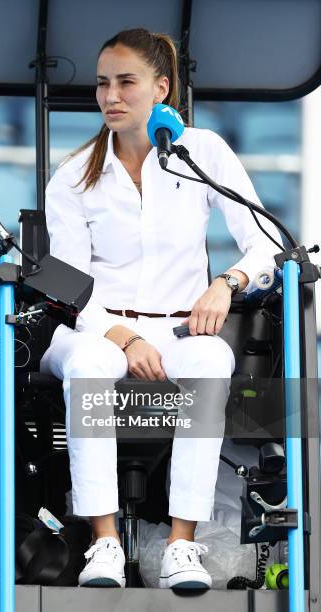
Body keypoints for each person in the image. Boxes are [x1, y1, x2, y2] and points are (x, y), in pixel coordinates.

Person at [41, 28, 281, 589]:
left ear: (161, 89)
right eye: (103, 84)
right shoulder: (74, 175)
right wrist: (124, 339)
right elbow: (70, 288)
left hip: (178, 330)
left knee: (210, 362)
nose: (110, 96)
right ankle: (102, 543)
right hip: (94, 332)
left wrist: (227, 281)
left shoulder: (203, 152)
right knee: (92, 367)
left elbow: (267, 239)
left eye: (126, 82)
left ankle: (181, 545)